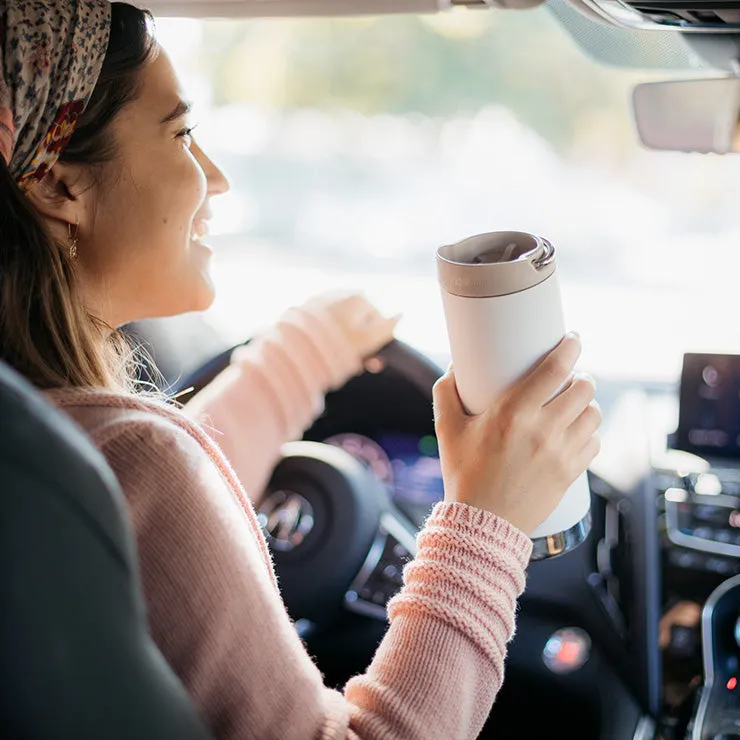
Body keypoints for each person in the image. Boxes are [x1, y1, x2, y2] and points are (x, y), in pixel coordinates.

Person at [0, 2, 601, 738]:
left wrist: (300, 358)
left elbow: (160, 514)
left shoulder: (42, 443)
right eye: (182, 134)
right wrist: (487, 520)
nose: (214, 179)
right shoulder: (130, 459)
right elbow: (151, 475)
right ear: (60, 183)